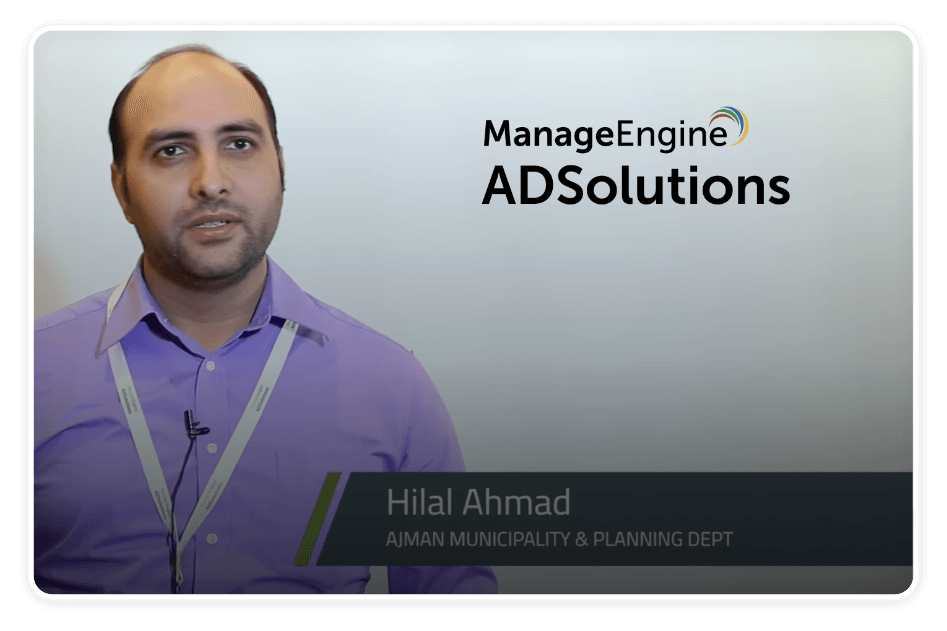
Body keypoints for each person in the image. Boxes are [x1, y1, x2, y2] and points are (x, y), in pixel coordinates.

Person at [33, 44, 497, 594]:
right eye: (172, 151)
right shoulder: (39, 369)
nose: (211, 182)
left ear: (280, 166)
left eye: (238, 144)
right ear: (122, 189)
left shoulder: (392, 384)